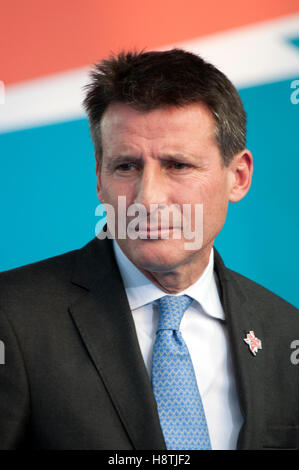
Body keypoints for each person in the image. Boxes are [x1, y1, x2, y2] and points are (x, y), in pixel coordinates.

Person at [0, 49, 298, 451]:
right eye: (126, 166)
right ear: (99, 179)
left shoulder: (287, 333)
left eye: (178, 165)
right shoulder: (13, 316)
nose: (147, 198)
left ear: (238, 177)